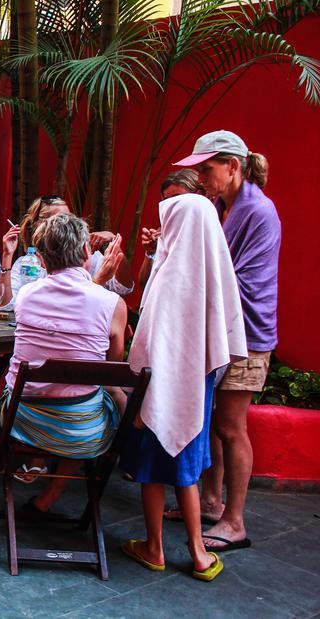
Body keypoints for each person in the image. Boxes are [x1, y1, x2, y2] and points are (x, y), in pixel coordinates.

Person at [120, 193, 246, 582]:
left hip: (159, 387)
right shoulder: (214, 272)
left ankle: (154, 547)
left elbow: (147, 337)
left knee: (153, 468)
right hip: (195, 386)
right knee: (186, 469)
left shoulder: (170, 272)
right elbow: (223, 336)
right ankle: (198, 552)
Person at [167, 130, 280, 553]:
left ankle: (235, 521)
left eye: (207, 168)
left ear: (233, 166)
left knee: (231, 427)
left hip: (247, 336)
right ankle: (211, 502)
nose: (200, 176)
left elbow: (234, 280)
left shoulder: (258, 211)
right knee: (212, 419)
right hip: (220, 332)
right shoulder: (221, 207)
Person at [0, 213, 128, 510]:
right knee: (105, 398)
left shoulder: (27, 295)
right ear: (85, 253)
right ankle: (51, 496)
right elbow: (113, 368)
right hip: (84, 430)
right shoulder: (111, 304)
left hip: (21, 419)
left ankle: (41, 482)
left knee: (73, 399)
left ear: (41, 260)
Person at [0, 195, 130, 309]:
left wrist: (114, 243)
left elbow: (123, 287)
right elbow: (4, 305)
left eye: (65, 217)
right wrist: (7, 256)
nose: (59, 224)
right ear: (36, 225)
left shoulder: (89, 256)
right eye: (50, 219)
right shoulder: (27, 263)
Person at [136, 169, 206, 289]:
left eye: (177, 199)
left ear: (199, 195)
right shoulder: (164, 233)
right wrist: (151, 253)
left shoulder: (211, 229)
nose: (170, 207)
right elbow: (144, 284)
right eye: (166, 202)